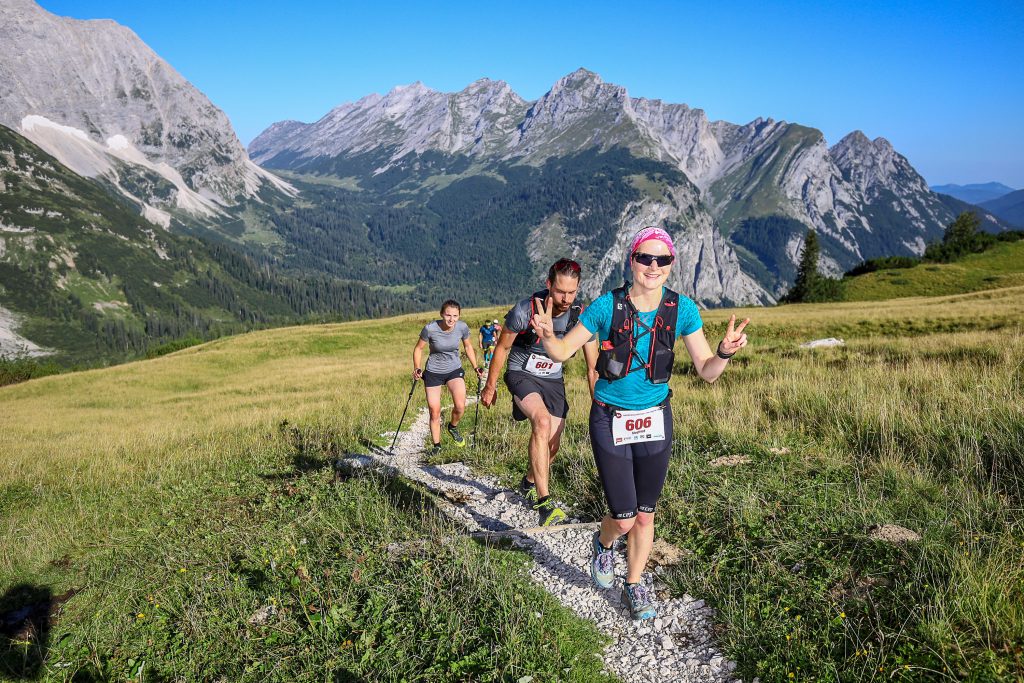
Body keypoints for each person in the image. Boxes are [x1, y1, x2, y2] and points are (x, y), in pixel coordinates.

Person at [531, 227, 749, 620]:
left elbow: (708, 371)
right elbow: (563, 351)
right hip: (609, 419)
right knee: (625, 515)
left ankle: (633, 584)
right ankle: (603, 544)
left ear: (670, 265)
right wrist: (548, 335)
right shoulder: (604, 307)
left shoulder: (682, 310)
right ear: (631, 261)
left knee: (646, 514)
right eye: (645, 258)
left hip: (656, 419)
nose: (653, 266)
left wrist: (723, 352)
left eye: (661, 260)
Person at [481, 258, 599, 526]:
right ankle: (545, 504)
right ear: (548, 285)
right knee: (542, 421)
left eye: (572, 292)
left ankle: (528, 482)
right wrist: (491, 386)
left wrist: (599, 404)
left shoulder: (582, 316)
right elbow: (501, 348)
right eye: (560, 291)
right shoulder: (525, 310)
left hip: (553, 379)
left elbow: (593, 368)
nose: (566, 298)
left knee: (552, 445)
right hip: (522, 373)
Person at [412, 300, 485, 455]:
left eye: (455, 316)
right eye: (448, 315)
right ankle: (437, 446)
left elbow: (468, 346)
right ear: (441, 314)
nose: (451, 319)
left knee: (460, 406)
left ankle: (452, 426)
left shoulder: (462, 327)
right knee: (434, 411)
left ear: (459, 316)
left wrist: (475, 366)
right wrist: (417, 368)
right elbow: (418, 349)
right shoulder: (430, 328)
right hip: (433, 372)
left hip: (454, 369)